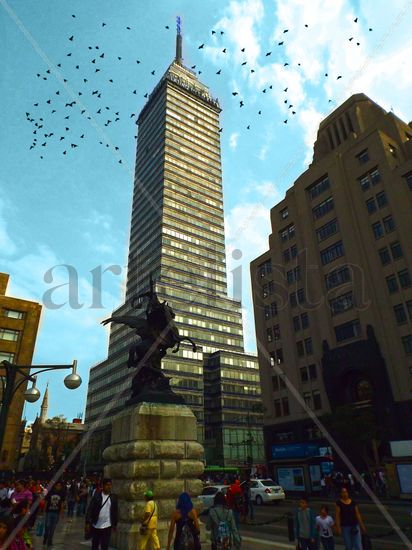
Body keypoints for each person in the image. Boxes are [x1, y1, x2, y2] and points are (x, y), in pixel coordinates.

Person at [86, 478, 118, 550]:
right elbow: (90, 509)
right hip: (96, 525)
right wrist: (88, 522)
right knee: (95, 545)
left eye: (110, 485)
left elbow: (115, 511)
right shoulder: (97, 496)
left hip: (107, 526)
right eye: (107, 485)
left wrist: (115, 524)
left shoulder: (113, 497)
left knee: (105, 545)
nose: (109, 487)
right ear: (103, 486)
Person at [43, 480, 66, 548]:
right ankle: (46, 536)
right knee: (47, 525)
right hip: (49, 511)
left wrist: (62, 513)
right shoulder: (50, 492)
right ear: (55, 486)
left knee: (53, 527)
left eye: (60, 486)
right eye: (57, 485)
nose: (58, 487)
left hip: (56, 512)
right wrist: (44, 510)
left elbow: (62, 504)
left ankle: (50, 540)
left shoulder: (62, 493)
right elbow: (46, 501)